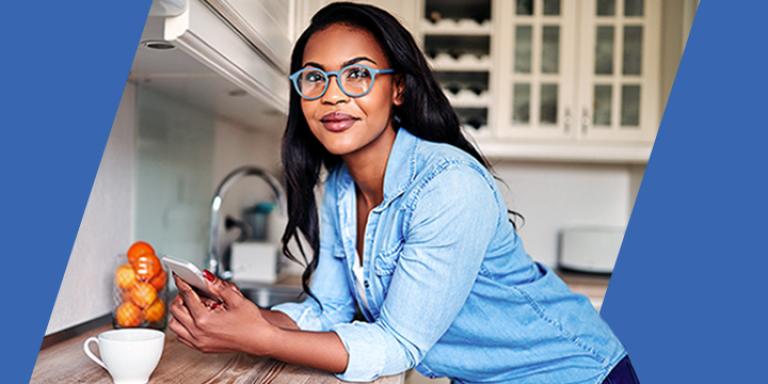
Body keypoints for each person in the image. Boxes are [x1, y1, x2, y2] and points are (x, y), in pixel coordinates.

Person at [168, 2, 640, 383]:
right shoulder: (338, 187)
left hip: (576, 373)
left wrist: (257, 337)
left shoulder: (449, 186)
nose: (332, 94)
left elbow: (397, 344)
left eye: (357, 74)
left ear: (397, 90)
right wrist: (246, 319)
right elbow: (328, 310)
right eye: (314, 77)